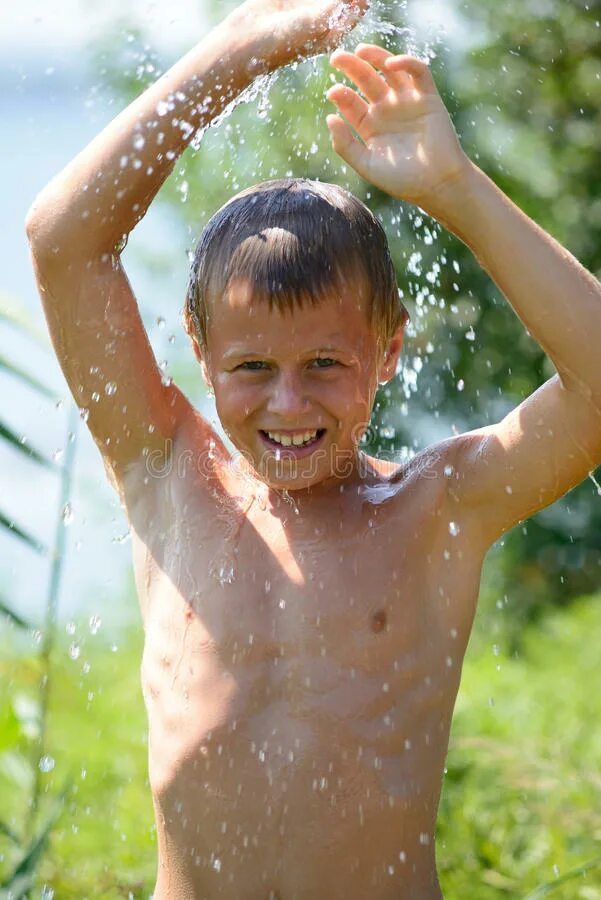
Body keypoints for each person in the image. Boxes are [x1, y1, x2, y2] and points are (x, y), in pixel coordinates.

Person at [25, 0, 601, 895]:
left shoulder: (435, 509)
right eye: (252, 365)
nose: (287, 403)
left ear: (388, 349)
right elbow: (62, 241)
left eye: (325, 363)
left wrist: (455, 188)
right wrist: (234, 53)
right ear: (199, 348)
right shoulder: (170, 477)